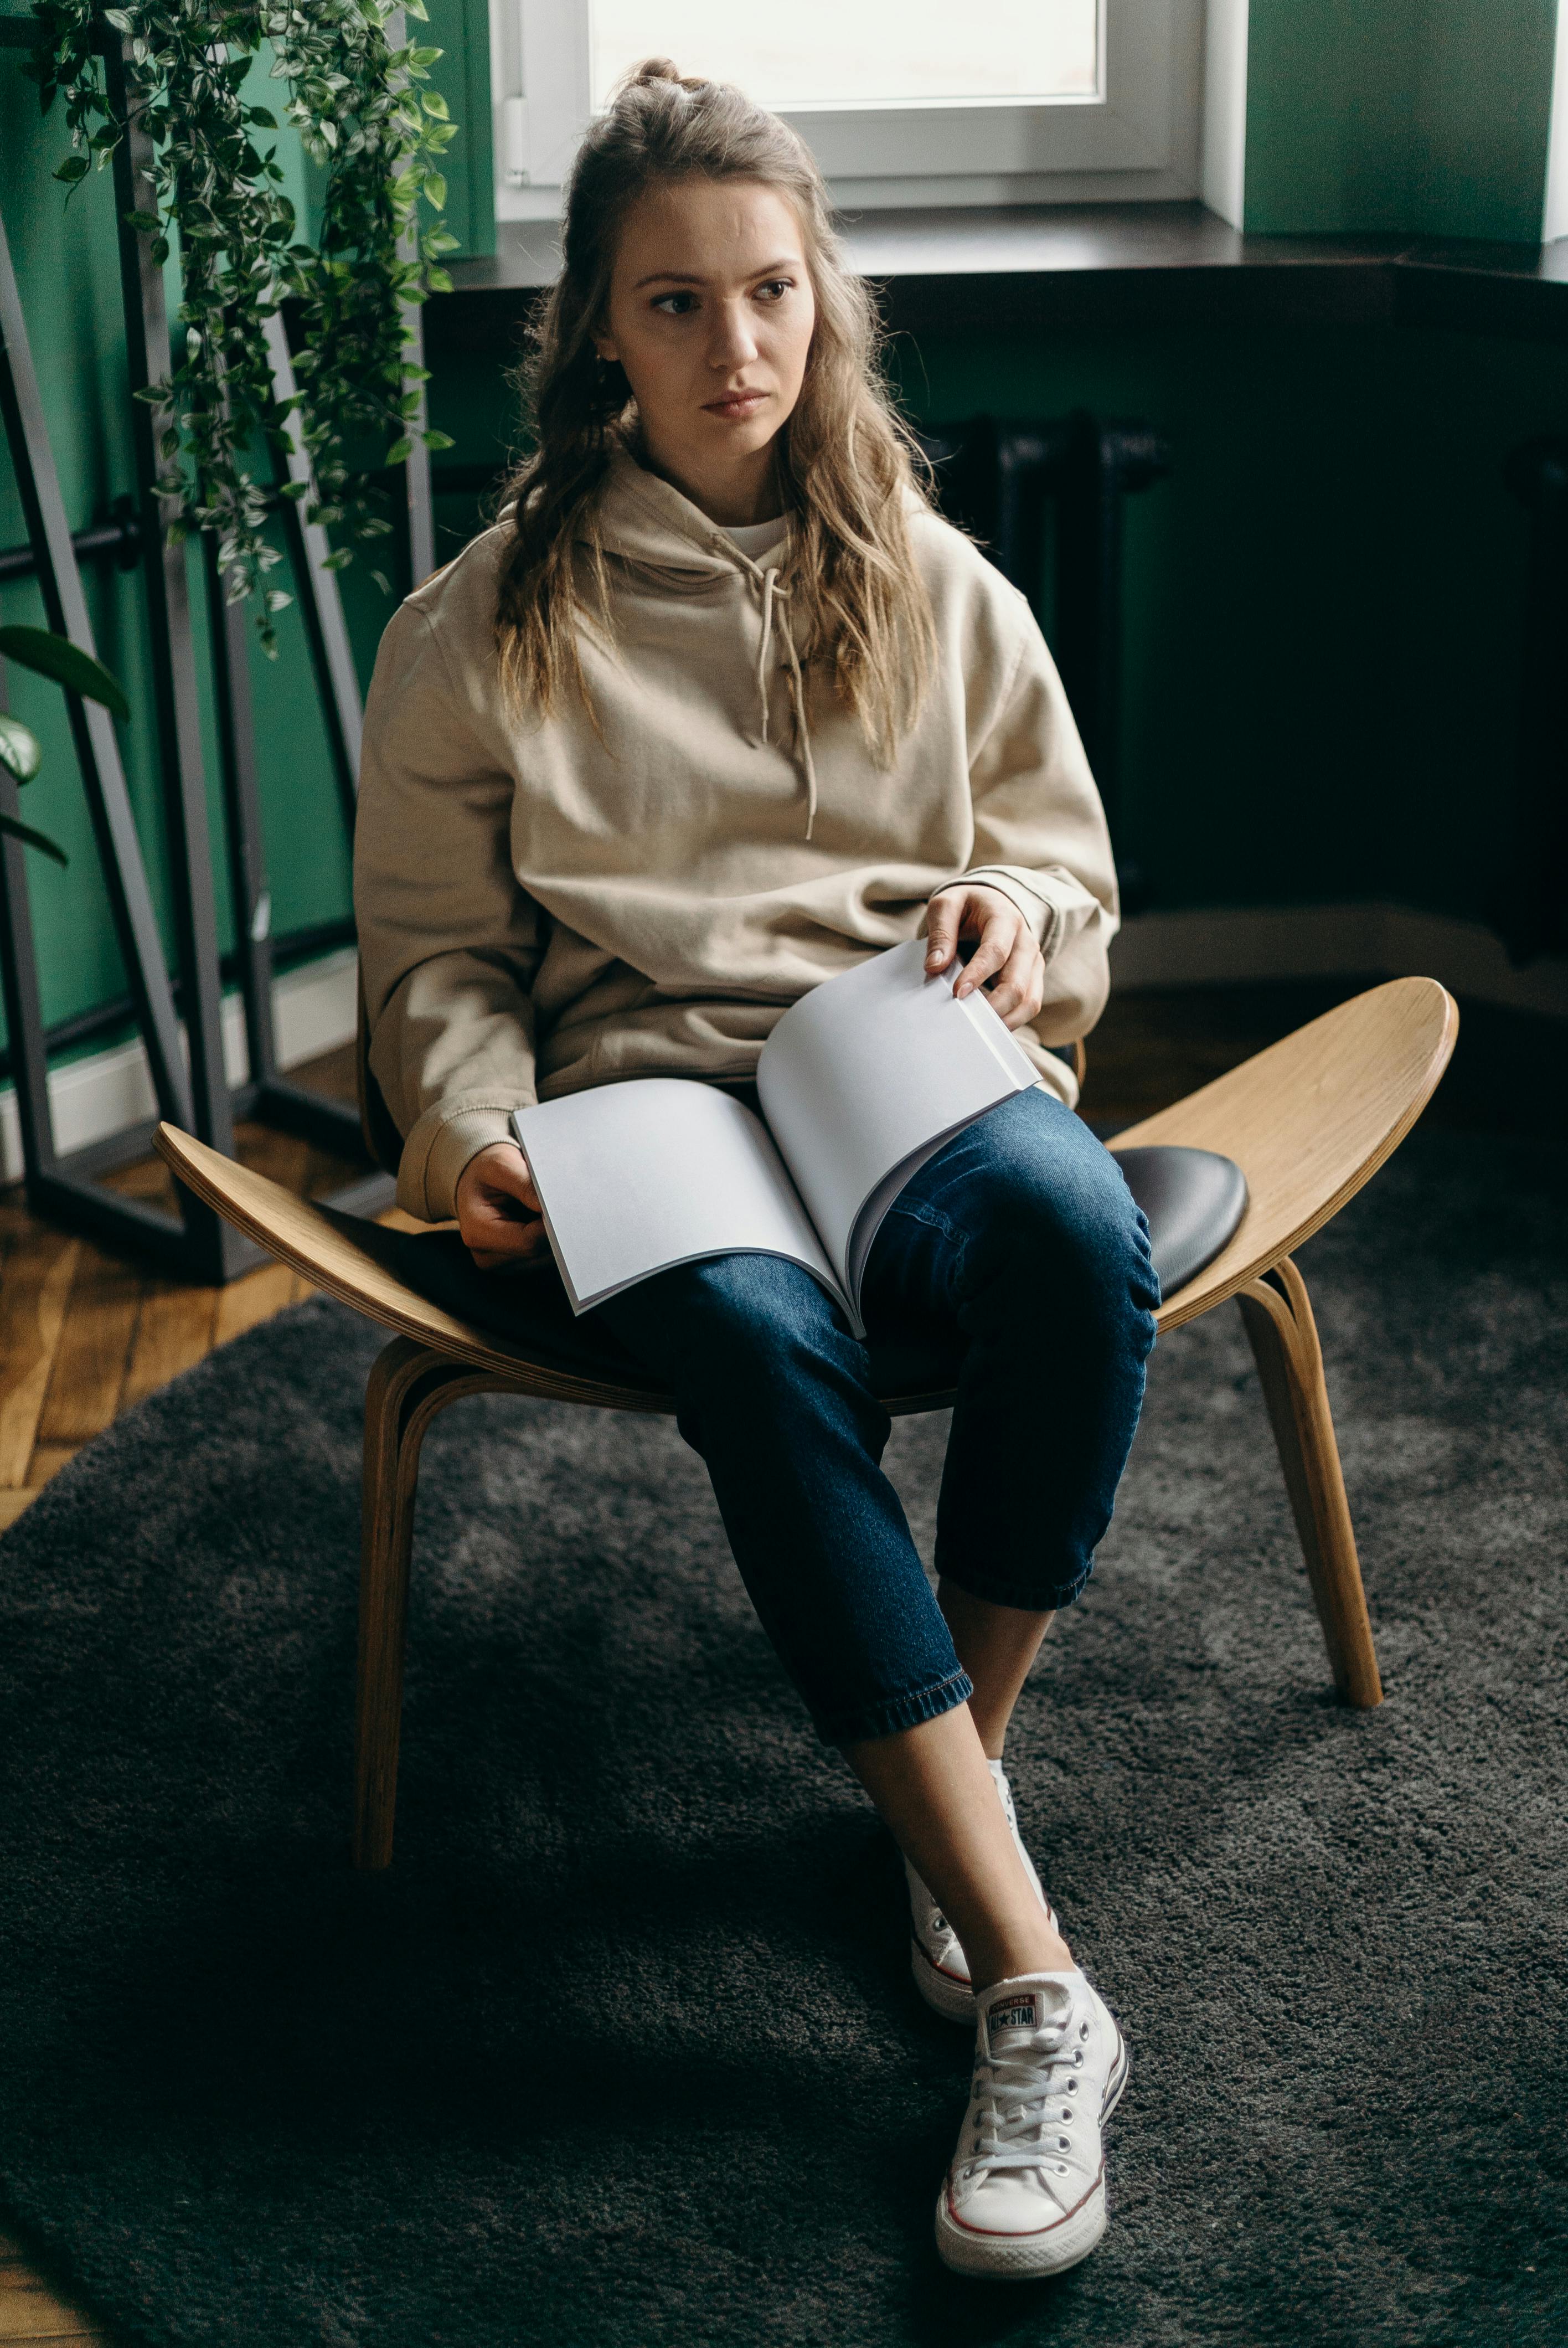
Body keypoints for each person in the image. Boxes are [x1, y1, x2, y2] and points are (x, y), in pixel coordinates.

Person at [353, 58, 1159, 2282]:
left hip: (891, 1054)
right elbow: (431, 961)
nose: (735, 351)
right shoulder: (489, 613)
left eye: (772, 293)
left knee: (1083, 1238)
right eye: (675, 302)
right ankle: (1029, 1973)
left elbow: (1056, 862)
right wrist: (472, 1123)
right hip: (643, 1092)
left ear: (829, 304)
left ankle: (941, 1789)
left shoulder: (930, 574)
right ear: (597, 331)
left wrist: (1018, 921)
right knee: (742, 1323)